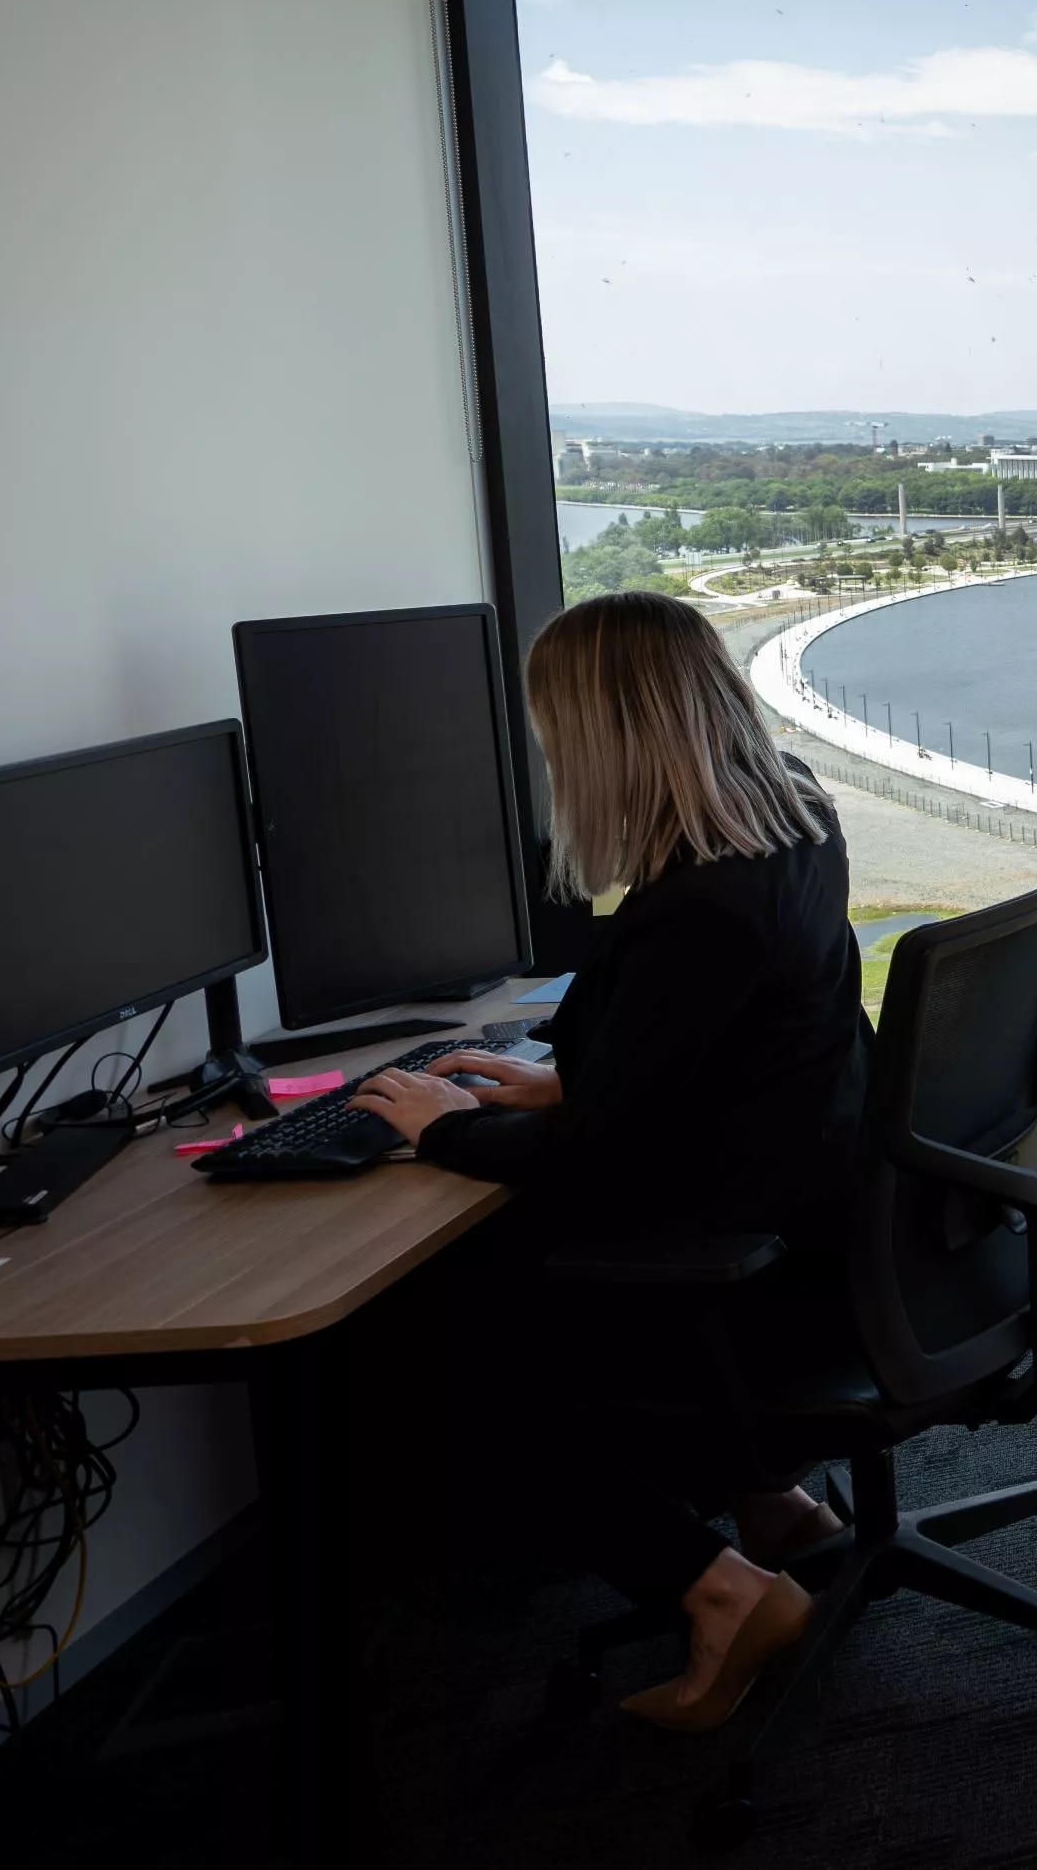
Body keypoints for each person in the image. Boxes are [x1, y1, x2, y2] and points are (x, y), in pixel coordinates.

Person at [349, 590, 869, 1729]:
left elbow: (596, 1165)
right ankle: (772, 1504)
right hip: (815, 1217)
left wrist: (441, 1124)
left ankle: (720, 1591)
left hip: (746, 1266)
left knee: (450, 1346)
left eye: (553, 735)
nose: (546, 758)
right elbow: (723, 1060)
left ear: (603, 738)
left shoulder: (695, 912)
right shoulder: (792, 817)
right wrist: (573, 1078)